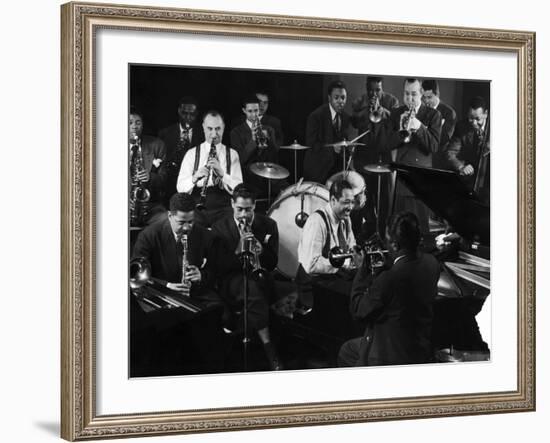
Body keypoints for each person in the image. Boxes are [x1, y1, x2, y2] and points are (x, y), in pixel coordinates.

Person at [338, 212, 440, 367]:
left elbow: (358, 310)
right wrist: (389, 263)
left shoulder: (390, 279)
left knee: (345, 352)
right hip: (418, 348)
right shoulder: (432, 263)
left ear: (393, 245)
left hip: (388, 355)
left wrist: (362, 270)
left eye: (386, 240)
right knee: (349, 349)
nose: (385, 244)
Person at [211, 184, 282, 370]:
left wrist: (262, 250)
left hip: (259, 274)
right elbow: (219, 267)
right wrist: (238, 250)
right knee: (254, 292)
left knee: (271, 292)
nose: (243, 215)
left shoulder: (268, 225)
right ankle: (269, 349)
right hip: (231, 278)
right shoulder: (219, 227)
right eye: (239, 209)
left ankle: (242, 340)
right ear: (232, 204)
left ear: (255, 206)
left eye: (248, 210)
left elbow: (273, 263)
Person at [131, 192, 224, 309]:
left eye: (190, 222)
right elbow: (136, 275)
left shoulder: (204, 235)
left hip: (194, 293)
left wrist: (201, 275)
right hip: (160, 293)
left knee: (220, 312)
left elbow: (216, 270)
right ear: (170, 216)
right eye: (181, 222)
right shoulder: (149, 235)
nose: (186, 228)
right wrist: (166, 286)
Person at [379, 78, 442, 235]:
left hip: (421, 181)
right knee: (401, 231)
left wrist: (419, 126)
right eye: (406, 94)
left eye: (414, 94)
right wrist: (400, 131)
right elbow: (385, 145)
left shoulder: (433, 115)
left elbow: (433, 147)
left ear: (421, 94)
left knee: (420, 231)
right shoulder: (396, 113)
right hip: (402, 181)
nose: (410, 99)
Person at [297, 179, 363, 300]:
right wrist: (345, 263)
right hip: (312, 285)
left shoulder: (346, 219)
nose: (350, 207)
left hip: (332, 277)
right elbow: (311, 265)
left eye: (352, 202)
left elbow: (351, 245)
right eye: (346, 202)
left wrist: (357, 257)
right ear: (333, 200)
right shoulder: (316, 221)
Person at [177, 111, 243, 227]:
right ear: (203, 128)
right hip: (197, 205)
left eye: (218, 129)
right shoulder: (191, 154)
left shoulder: (232, 154)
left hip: (224, 206)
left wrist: (222, 174)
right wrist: (194, 178)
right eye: (210, 129)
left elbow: (239, 189)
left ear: (223, 128)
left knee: (228, 230)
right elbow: (180, 188)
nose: (213, 134)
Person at [230, 95, 281, 196]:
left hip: (267, 173)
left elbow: (275, 156)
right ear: (244, 110)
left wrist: (269, 140)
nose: (254, 115)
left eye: (256, 111)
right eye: (250, 111)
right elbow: (240, 159)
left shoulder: (269, 129)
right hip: (248, 176)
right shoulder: (236, 132)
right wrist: (253, 141)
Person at [303, 80, 352, 183]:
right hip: (318, 170)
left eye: (343, 97)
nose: (340, 101)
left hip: (337, 170)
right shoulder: (316, 116)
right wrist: (332, 148)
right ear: (329, 98)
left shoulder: (345, 117)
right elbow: (311, 145)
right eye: (336, 97)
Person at [158, 96, 204, 204]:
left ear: (197, 113)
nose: (188, 117)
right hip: (171, 183)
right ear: (179, 111)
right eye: (184, 113)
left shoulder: (204, 133)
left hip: (195, 183)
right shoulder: (164, 133)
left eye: (192, 114)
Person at [446, 96, 490, 205]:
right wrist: (461, 167)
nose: (474, 123)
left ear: (486, 114)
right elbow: (450, 153)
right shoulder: (461, 126)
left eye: (477, 119)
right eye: (471, 118)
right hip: (470, 182)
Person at [129, 108, 167, 226]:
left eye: (138, 122)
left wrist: (150, 176)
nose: (134, 126)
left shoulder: (157, 145)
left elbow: (165, 178)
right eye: (129, 122)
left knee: (167, 221)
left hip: (151, 207)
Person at [421, 79, 457, 168]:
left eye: (429, 97)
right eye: (423, 97)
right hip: (422, 160)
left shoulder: (449, 113)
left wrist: (424, 130)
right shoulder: (421, 110)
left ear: (437, 94)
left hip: (440, 162)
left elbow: (443, 139)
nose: (426, 101)